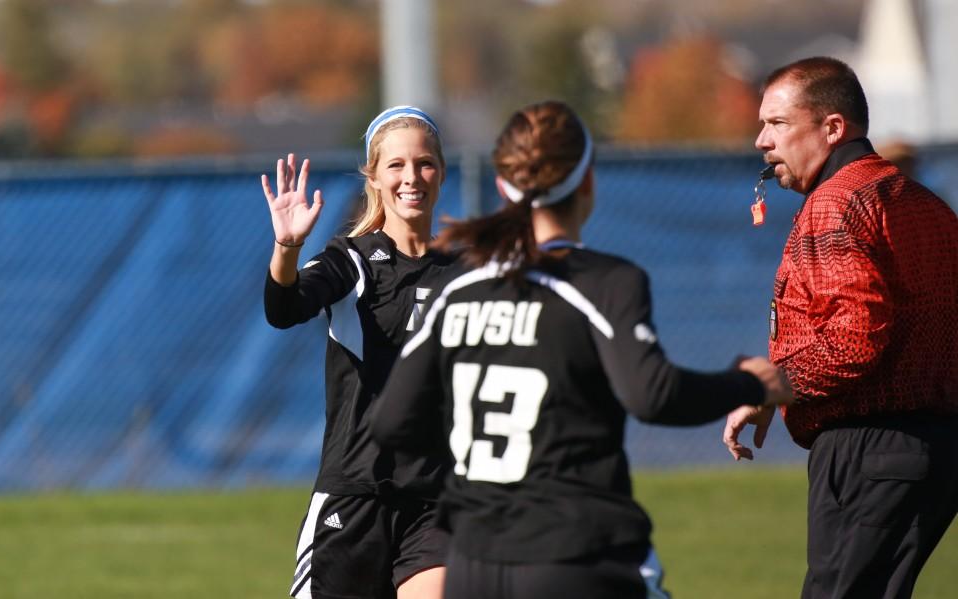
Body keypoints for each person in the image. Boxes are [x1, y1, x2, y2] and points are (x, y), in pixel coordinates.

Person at [370, 100, 795, 599]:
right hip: (574, 556)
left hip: (472, 564)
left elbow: (392, 421)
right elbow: (653, 395)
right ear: (588, 181)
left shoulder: (461, 291)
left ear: (504, 187)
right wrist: (748, 381)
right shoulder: (603, 281)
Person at [723, 57, 958, 599]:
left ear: (833, 128)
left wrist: (770, 384)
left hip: (869, 447)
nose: (762, 140)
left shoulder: (836, 202)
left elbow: (856, 337)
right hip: (933, 448)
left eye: (778, 124)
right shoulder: (926, 204)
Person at [261, 106, 454, 599]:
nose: (412, 177)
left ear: (441, 171)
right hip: (355, 498)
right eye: (396, 165)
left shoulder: (463, 270)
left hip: (436, 501)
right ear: (374, 177)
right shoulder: (352, 261)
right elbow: (284, 308)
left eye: (424, 163)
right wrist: (287, 248)